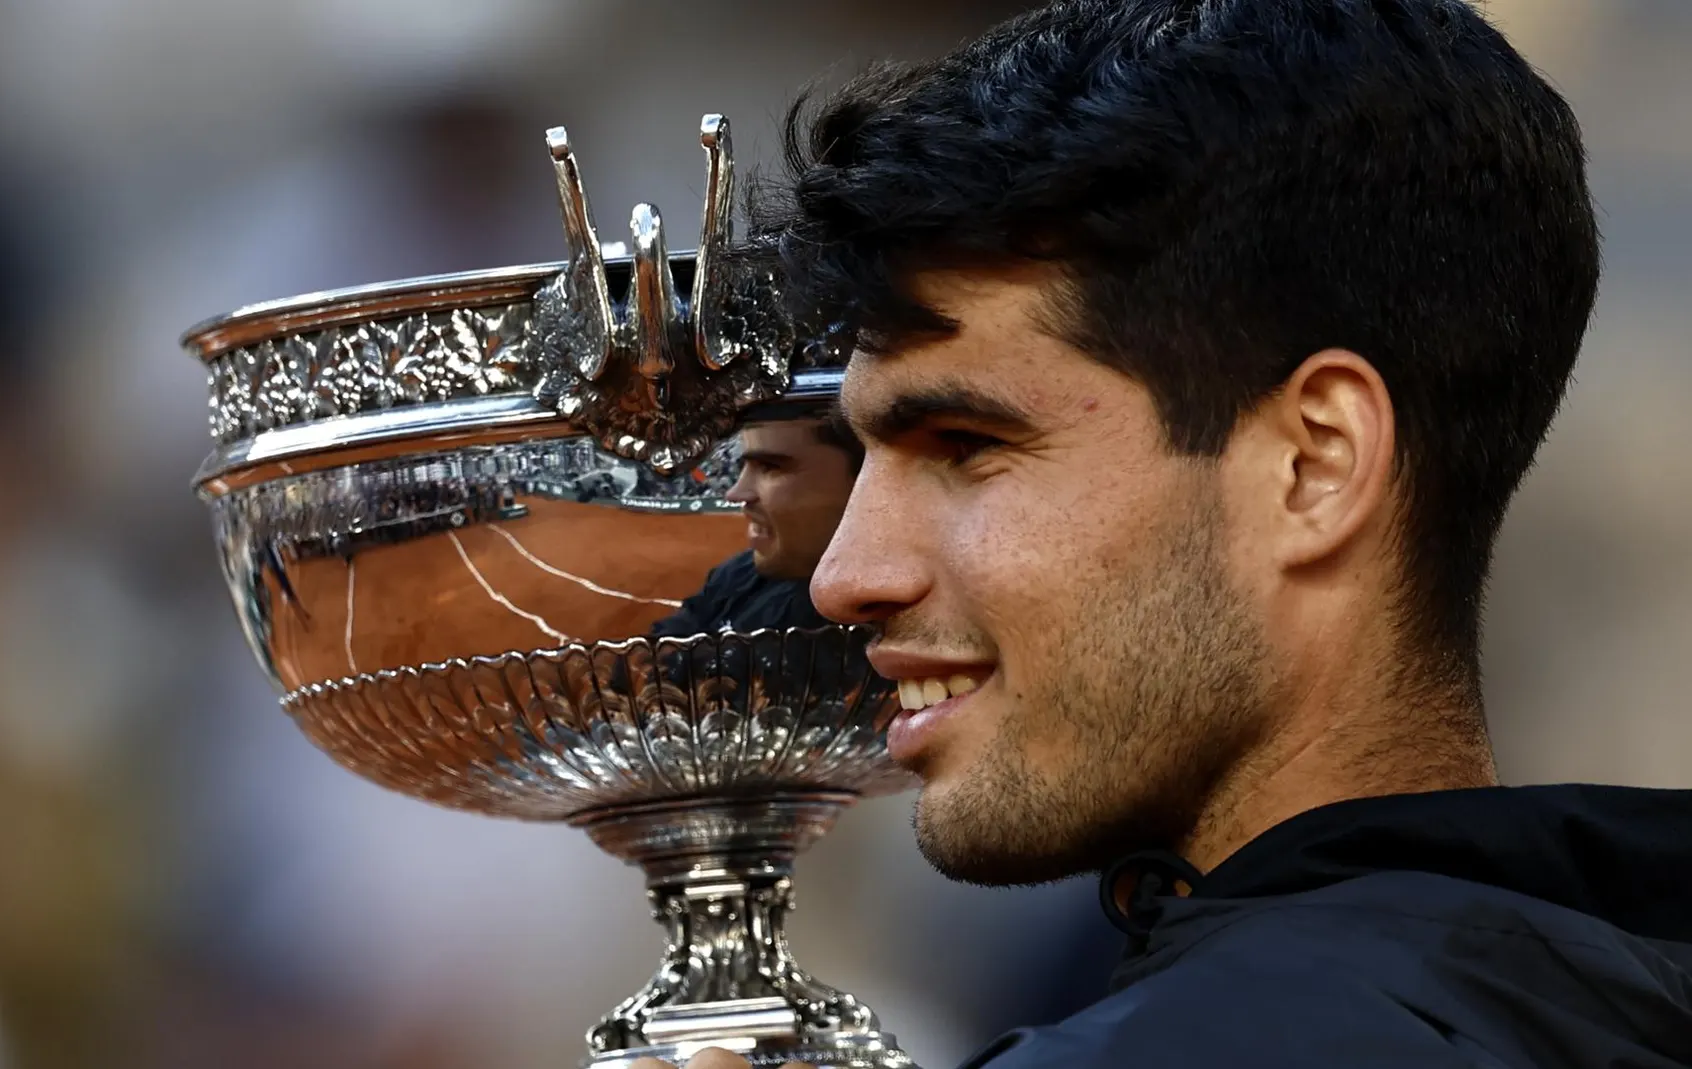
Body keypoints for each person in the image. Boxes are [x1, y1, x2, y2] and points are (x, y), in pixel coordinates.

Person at [632, 1, 1692, 1067]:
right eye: (862, 460)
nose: (845, 576)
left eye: (967, 445)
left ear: (1313, 463)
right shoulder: (1608, 986)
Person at [650, 414, 861, 638]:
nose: (735, 493)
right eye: (745, 466)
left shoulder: (876, 640)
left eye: (770, 466)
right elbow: (679, 629)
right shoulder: (737, 573)